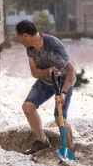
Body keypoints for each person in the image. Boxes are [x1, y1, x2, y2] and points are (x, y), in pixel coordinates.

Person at [15, 20, 76, 155]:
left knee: (59, 119)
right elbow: (34, 72)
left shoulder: (54, 45)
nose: (18, 40)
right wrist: (47, 71)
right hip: (45, 81)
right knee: (27, 107)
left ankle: (70, 151)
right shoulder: (30, 49)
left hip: (64, 81)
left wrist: (63, 93)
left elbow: (71, 71)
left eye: (18, 37)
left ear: (25, 35)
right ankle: (42, 140)